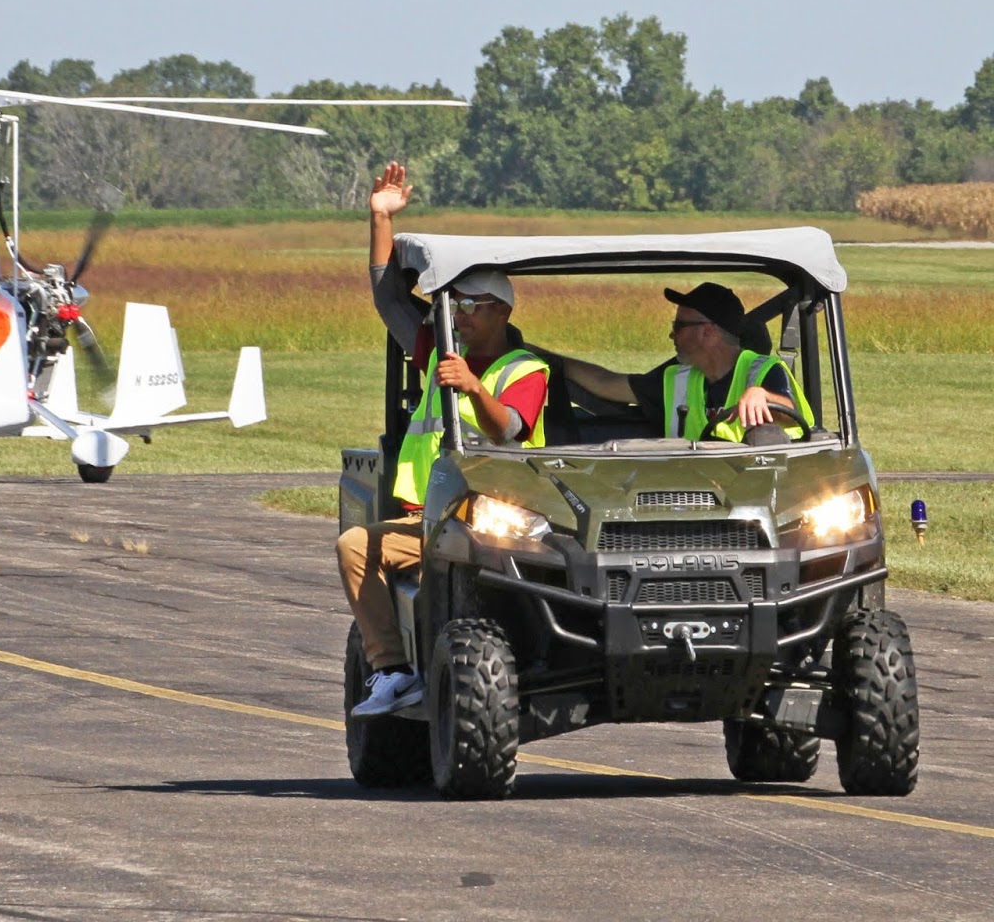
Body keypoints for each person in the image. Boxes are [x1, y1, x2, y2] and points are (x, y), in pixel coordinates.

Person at [338, 162, 550, 719]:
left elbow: (508, 428)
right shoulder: (437, 349)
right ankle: (391, 670)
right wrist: (380, 219)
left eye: (470, 306)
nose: (458, 313)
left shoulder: (525, 368)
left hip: (494, 515)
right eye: (454, 304)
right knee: (355, 546)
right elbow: (389, 298)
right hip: (427, 518)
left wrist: (474, 387)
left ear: (501, 311)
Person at [546, 281, 812, 442]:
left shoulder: (763, 371)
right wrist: (550, 359)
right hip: (689, 490)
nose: (672, 334)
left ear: (708, 331)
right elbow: (606, 382)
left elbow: (789, 415)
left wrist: (761, 395)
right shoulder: (678, 378)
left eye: (679, 325)